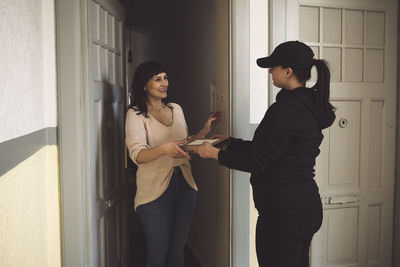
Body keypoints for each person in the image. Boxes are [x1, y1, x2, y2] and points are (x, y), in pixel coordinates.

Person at [195, 41, 336, 267]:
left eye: (274, 67)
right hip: (304, 207)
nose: (271, 71)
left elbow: (257, 160)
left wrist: (214, 154)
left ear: (288, 72)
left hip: (283, 216)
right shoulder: (309, 105)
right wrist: (230, 143)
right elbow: (270, 150)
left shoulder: (287, 109)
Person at [125, 61, 221, 267]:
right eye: (157, 79)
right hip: (154, 193)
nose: (164, 83)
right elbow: (137, 155)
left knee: (177, 253)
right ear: (144, 85)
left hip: (185, 185)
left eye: (165, 78)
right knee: (158, 255)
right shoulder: (136, 113)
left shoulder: (176, 109)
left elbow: (184, 144)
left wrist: (205, 132)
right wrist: (163, 149)